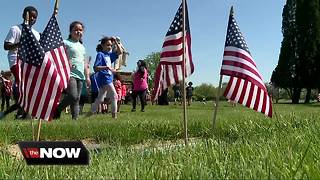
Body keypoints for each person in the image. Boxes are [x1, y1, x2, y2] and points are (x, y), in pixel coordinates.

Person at [1, 6, 40, 119]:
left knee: (30, 89)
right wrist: (20, 43)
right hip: (16, 61)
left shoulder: (36, 34)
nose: (32, 18)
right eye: (30, 16)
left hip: (30, 63)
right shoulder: (15, 29)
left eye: (35, 17)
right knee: (25, 87)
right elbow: (6, 46)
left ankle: (16, 113)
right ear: (24, 15)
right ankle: (23, 114)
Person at [54, 21, 91, 120]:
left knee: (77, 99)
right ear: (70, 31)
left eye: (80, 30)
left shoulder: (82, 46)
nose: (78, 31)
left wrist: (87, 77)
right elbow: (58, 55)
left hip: (80, 75)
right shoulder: (65, 43)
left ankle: (75, 120)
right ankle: (58, 109)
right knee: (73, 96)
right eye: (76, 29)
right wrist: (66, 62)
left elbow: (85, 63)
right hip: (69, 73)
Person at [91, 36, 123, 118]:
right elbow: (95, 68)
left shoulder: (109, 55)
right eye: (107, 45)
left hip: (109, 78)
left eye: (110, 45)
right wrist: (106, 67)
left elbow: (120, 52)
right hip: (104, 78)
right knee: (114, 96)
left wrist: (116, 41)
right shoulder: (100, 54)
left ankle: (92, 112)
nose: (109, 47)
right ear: (102, 45)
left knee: (100, 98)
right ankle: (114, 116)